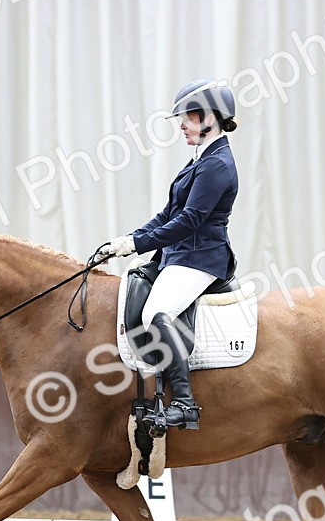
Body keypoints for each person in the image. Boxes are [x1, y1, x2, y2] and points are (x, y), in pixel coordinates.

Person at [97, 79, 239, 431]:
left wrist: (139, 245)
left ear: (209, 118)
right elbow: (168, 214)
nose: (182, 126)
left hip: (200, 258)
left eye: (188, 117)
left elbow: (190, 220)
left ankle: (185, 404)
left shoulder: (217, 165)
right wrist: (129, 240)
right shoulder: (200, 160)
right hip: (179, 255)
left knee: (155, 312)